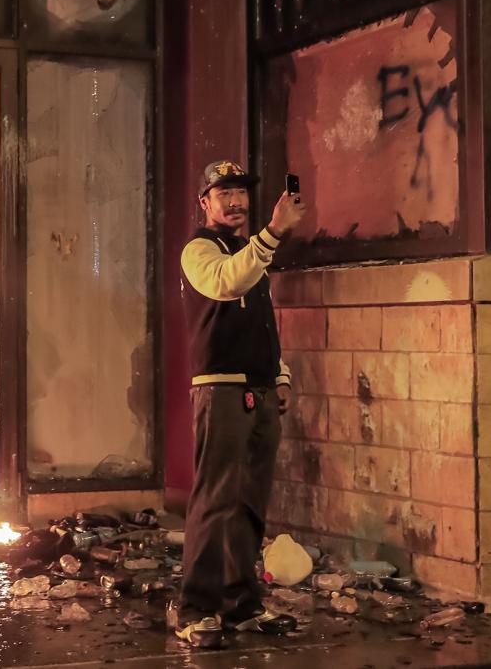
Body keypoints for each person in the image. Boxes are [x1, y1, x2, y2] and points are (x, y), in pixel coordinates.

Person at [172, 160, 306, 648]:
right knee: (215, 501)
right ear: (204, 202)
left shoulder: (252, 254)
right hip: (221, 388)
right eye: (222, 192)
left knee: (249, 503)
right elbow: (226, 282)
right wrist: (272, 233)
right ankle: (195, 609)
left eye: (241, 193)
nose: (235, 201)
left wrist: (281, 375)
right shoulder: (199, 250)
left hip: (262, 388)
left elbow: (263, 322)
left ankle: (241, 605)